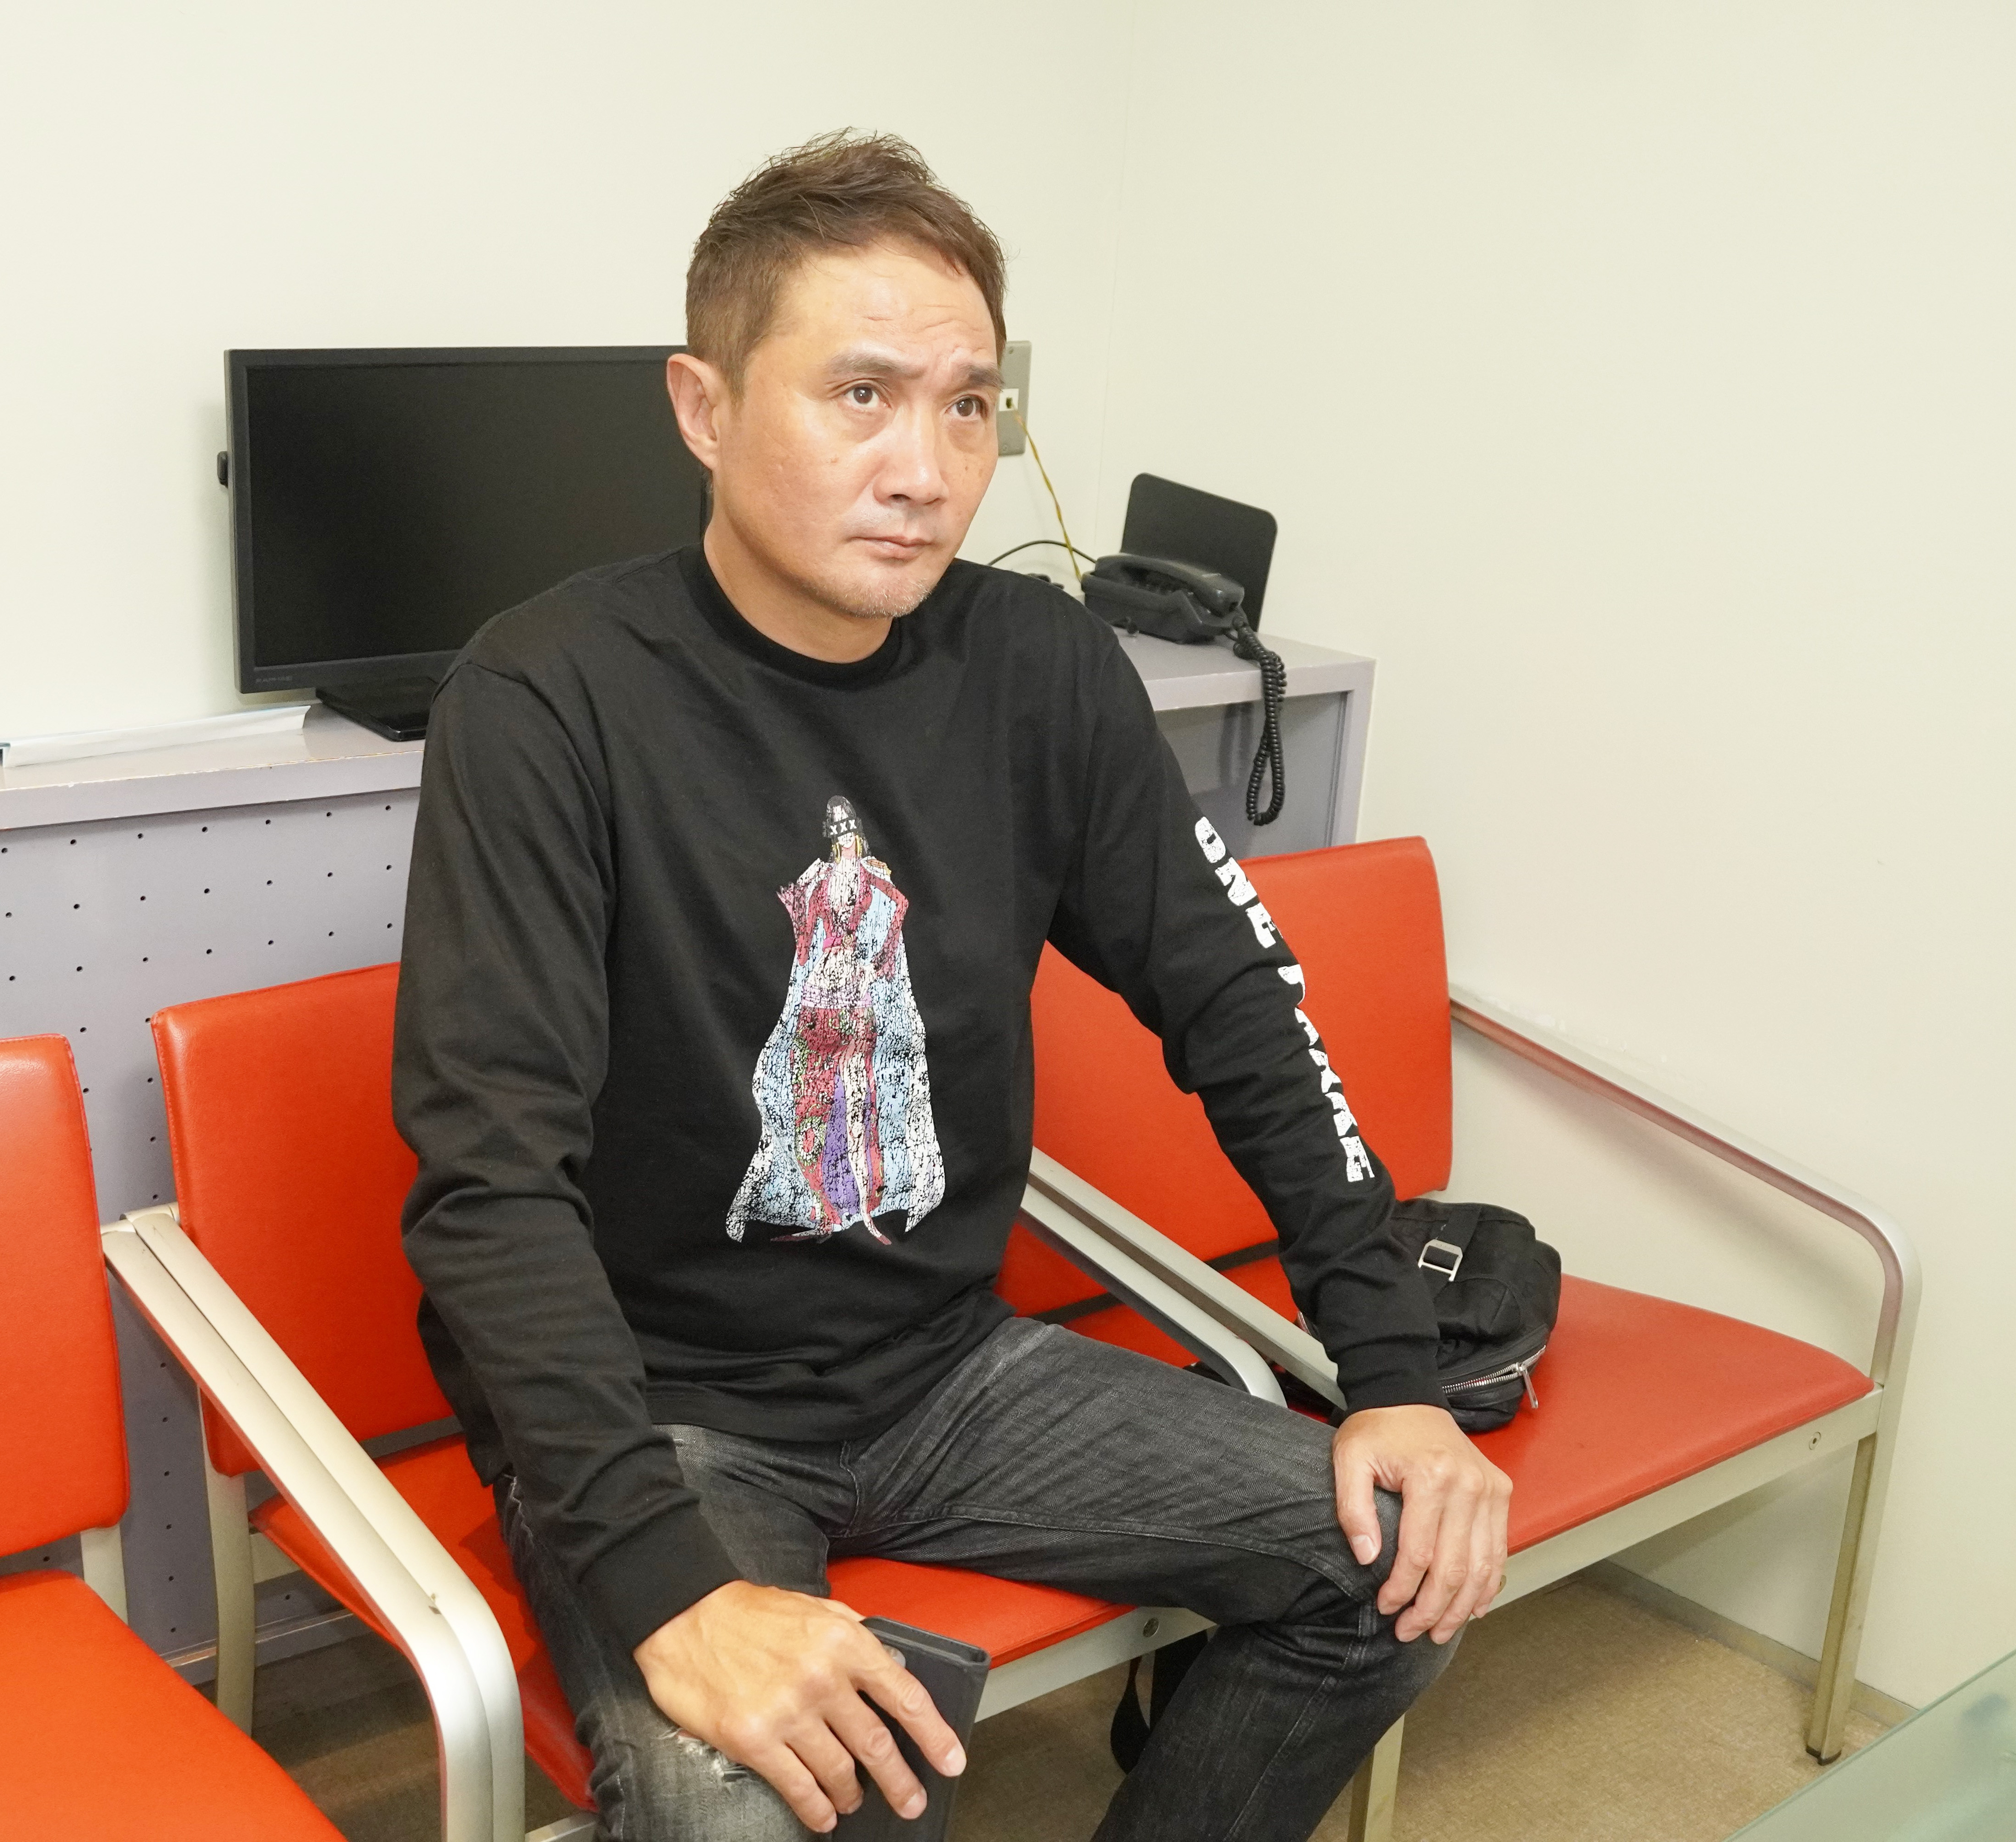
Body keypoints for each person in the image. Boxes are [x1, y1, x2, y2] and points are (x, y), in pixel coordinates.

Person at [394, 129, 1510, 1842]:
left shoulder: (1041, 665)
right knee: (738, 1810)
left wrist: (1396, 1374)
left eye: (970, 406)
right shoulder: (546, 697)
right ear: (703, 408)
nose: (924, 470)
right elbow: (488, 1180)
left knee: (1396, 1571)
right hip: (665, 1409)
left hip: (946, 1370)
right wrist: (665, 1583)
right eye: (859, 395)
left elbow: (1238, 1007)